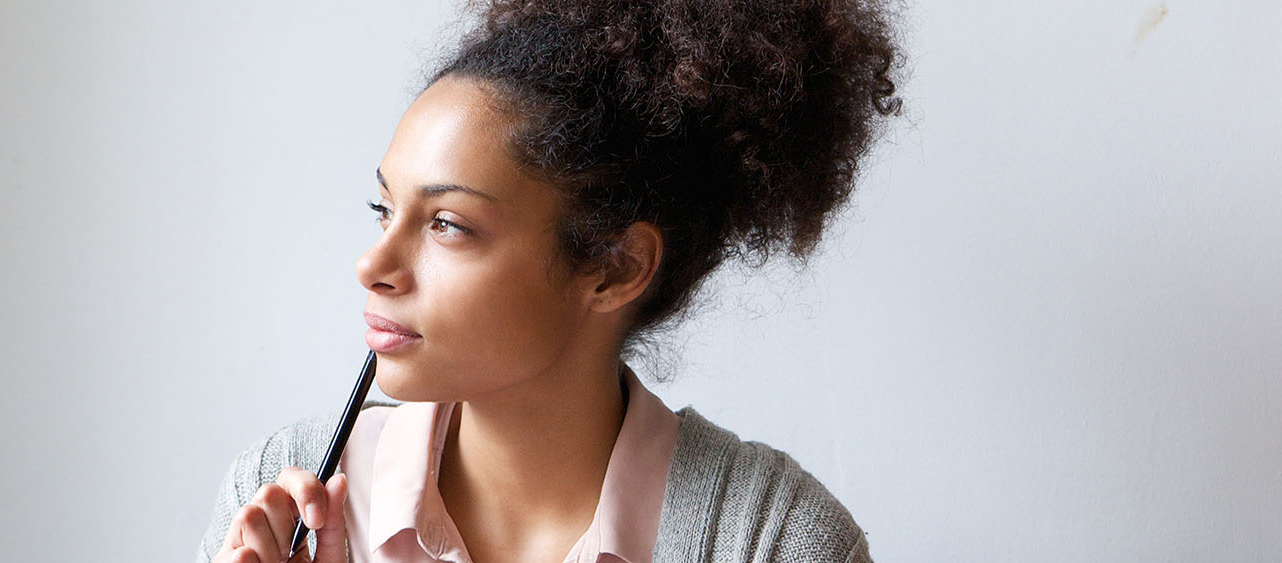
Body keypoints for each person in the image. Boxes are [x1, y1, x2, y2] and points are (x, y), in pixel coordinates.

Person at [197, 0, 902, 561]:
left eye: (447, 223)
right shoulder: (280, 494)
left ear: (614, 267)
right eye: (385, 209)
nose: (372, 265)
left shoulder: (775, 542)